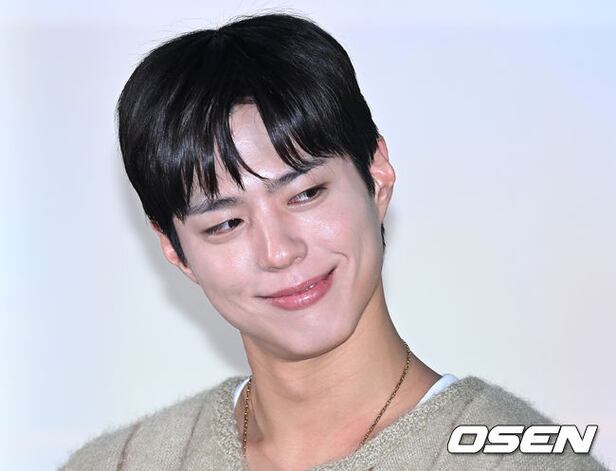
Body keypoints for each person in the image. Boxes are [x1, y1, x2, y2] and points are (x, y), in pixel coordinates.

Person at [61, 13, 607, 471]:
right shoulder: (119, 463)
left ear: (377, 176)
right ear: (175, 250)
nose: (279, 251)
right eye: (225, 224)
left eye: (305, 194)